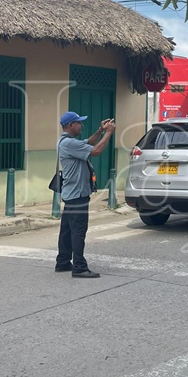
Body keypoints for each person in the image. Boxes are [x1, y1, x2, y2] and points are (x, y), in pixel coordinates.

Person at [54, 112, 115, 278]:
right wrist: (109, 132)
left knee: (66, 230)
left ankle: (63, 261)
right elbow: (96, 150)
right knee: (78, 230)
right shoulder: (70, 144)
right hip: (77, 194)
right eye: (78, 123)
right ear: (70, 125)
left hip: (71, 193)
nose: (81, 126)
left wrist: (100, 131)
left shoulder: (66, 141)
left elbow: (88, 142)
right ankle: (79, 267)